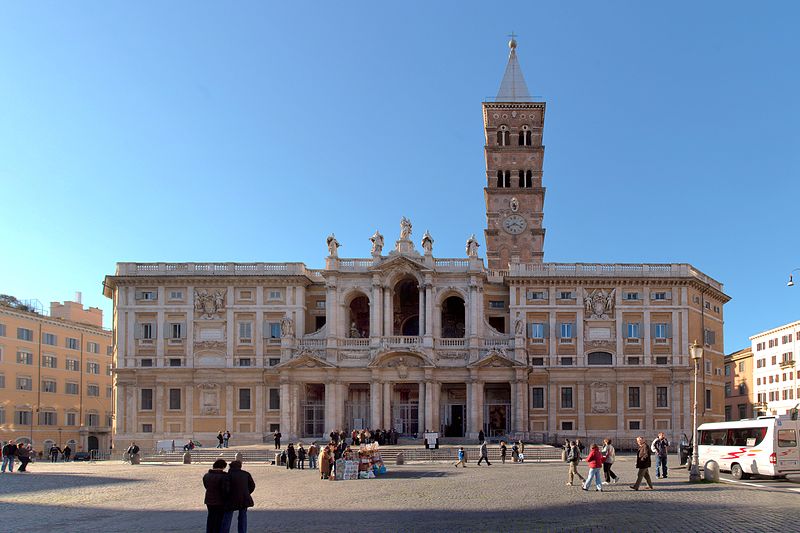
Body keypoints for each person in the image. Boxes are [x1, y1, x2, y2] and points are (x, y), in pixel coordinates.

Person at [222, 460, 255, 533]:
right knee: (243, 517)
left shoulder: (228, 475)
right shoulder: (246, 474)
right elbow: (252, 486)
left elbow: (225, 488)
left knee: (227, 517)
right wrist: (247, 493)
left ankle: (225, 531)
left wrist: (226, 496)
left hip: (231, 499)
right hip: (244, 498)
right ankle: (242, 531)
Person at [203, 459, 230, 533]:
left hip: (209, 500)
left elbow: (206, 486)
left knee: (211, 517)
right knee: (219, 519)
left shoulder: (206, 475)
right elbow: (225, 490)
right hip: (220, 501)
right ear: (223, 467)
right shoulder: (224, 476)